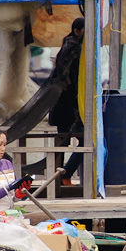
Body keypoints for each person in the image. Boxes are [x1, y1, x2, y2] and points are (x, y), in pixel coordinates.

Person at [48, 17, 84, 186]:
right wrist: (78, 107)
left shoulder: (67, 45)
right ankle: (64, 175)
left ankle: (61, 178)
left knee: (64, 141)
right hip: (68, 105)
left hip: (63, 103)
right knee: (83, 141)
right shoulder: (73, 49)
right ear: (77, 31)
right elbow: (72, 80)